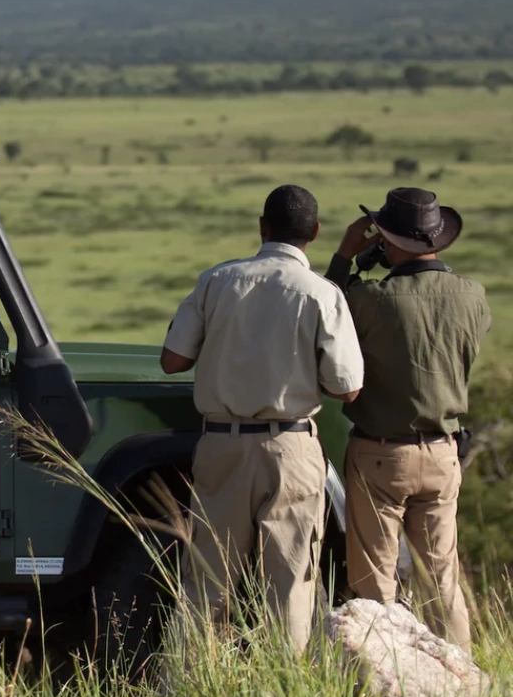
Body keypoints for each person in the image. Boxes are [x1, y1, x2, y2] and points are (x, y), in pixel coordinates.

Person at [160, 184, 364, 652]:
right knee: (291, 582)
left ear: (262, 227)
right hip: (291, 446)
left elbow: (172, 360)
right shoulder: (323, 293)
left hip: (222, 445)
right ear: (314, 233)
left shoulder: (216, 280)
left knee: (207, 578)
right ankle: (287, 693)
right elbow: (347, 387)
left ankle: (190, 684)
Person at [326, 187, 491, 654]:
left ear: (387, 239)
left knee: (376, 586)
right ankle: (459, 679)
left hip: (381, 455)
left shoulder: (372, 300)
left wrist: (346, 256)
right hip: (443, 453)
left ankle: (386, 683)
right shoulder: (473, 295)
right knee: (442, 582)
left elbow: (326, 312)